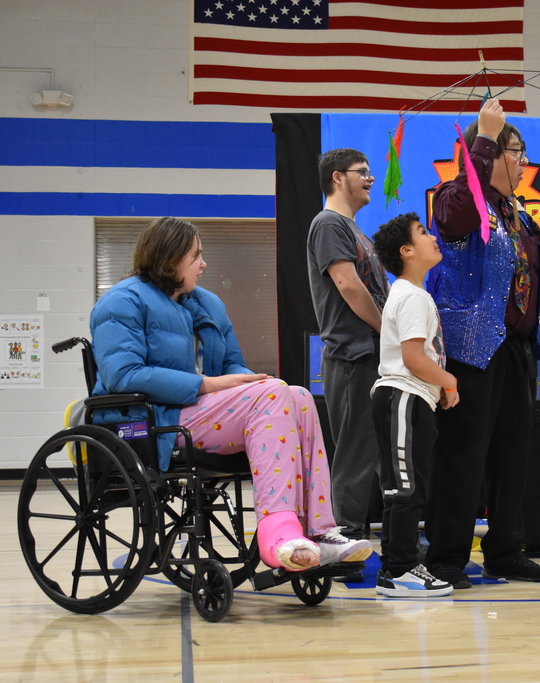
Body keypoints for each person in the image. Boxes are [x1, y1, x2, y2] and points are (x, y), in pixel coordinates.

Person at [90, 217, 372, 572]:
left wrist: (247, 381)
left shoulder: (207, 304)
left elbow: (232, 365)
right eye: (196, 256)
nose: (204, 264)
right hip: (152, 419)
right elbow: (123, 376)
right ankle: (279, 535)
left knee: (296, 394)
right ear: (168, 259)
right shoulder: (121, 302)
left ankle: (319, 532)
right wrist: (207, 384)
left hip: (202, 413)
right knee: (273, 397)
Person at [424, 99, 540, 589]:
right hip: (469, 349)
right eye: (514, 150)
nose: (522, 161)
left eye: (522, 151)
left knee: (512, 457)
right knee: (463, 456)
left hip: (516, 348)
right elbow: (456, 221)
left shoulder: (515, 215)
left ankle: (505, 552)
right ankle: (445, 558)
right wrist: (483, 138)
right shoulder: (455, 198)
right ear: (485, 154)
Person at [307, 148, 390, 579]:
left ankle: (359, 542)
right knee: (356, 455)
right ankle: (341, 548)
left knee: (374, 453)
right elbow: (349, 286)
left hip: (372, 354)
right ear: (338, 178)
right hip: (354, 355)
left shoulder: (355, 230)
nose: (371, 178)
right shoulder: (328, 224)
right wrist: (387, 329)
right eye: (363, 172)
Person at [370, 213, 460, 597]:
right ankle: (401, 570)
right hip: (403, 395)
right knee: (405, 489)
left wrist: (437, 386)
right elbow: (413, 357)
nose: (433, 237)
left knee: (402, 489)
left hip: (410, 398)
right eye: (423, 233)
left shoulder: (411, 294)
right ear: (406, 251)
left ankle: (395, 566)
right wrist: (449, 381)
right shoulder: (411, 296)